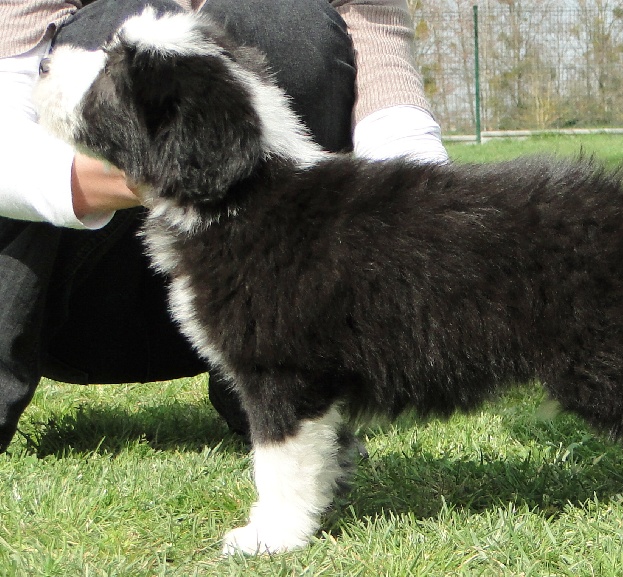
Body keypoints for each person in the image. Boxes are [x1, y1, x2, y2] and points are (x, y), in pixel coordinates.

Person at [0, 0, 448, 452]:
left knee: (290, 23)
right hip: (77, 304)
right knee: (123, 19)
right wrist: (159, 176)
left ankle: (282, 394)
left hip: (270, 291)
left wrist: (428, 231)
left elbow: (387, 77)